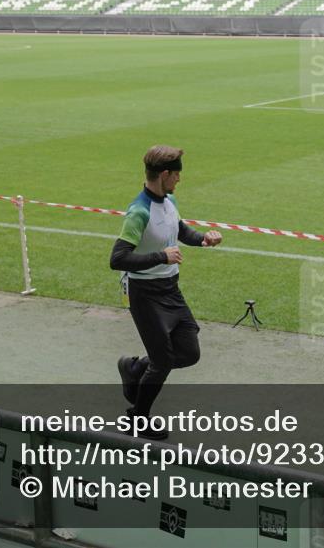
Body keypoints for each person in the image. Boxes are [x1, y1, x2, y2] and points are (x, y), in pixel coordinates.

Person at [110, 145, 222, 440]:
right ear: (163, 175)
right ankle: (137, 419)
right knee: (162, 362)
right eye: (176, 175)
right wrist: (161, 256)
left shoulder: (169, 200)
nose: (179, 180)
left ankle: (134, 368)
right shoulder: (138, 212)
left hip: (170, 289)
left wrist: (204, 239)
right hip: (144, 293)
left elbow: (180, 230)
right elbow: (117, 259)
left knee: (188, 352)